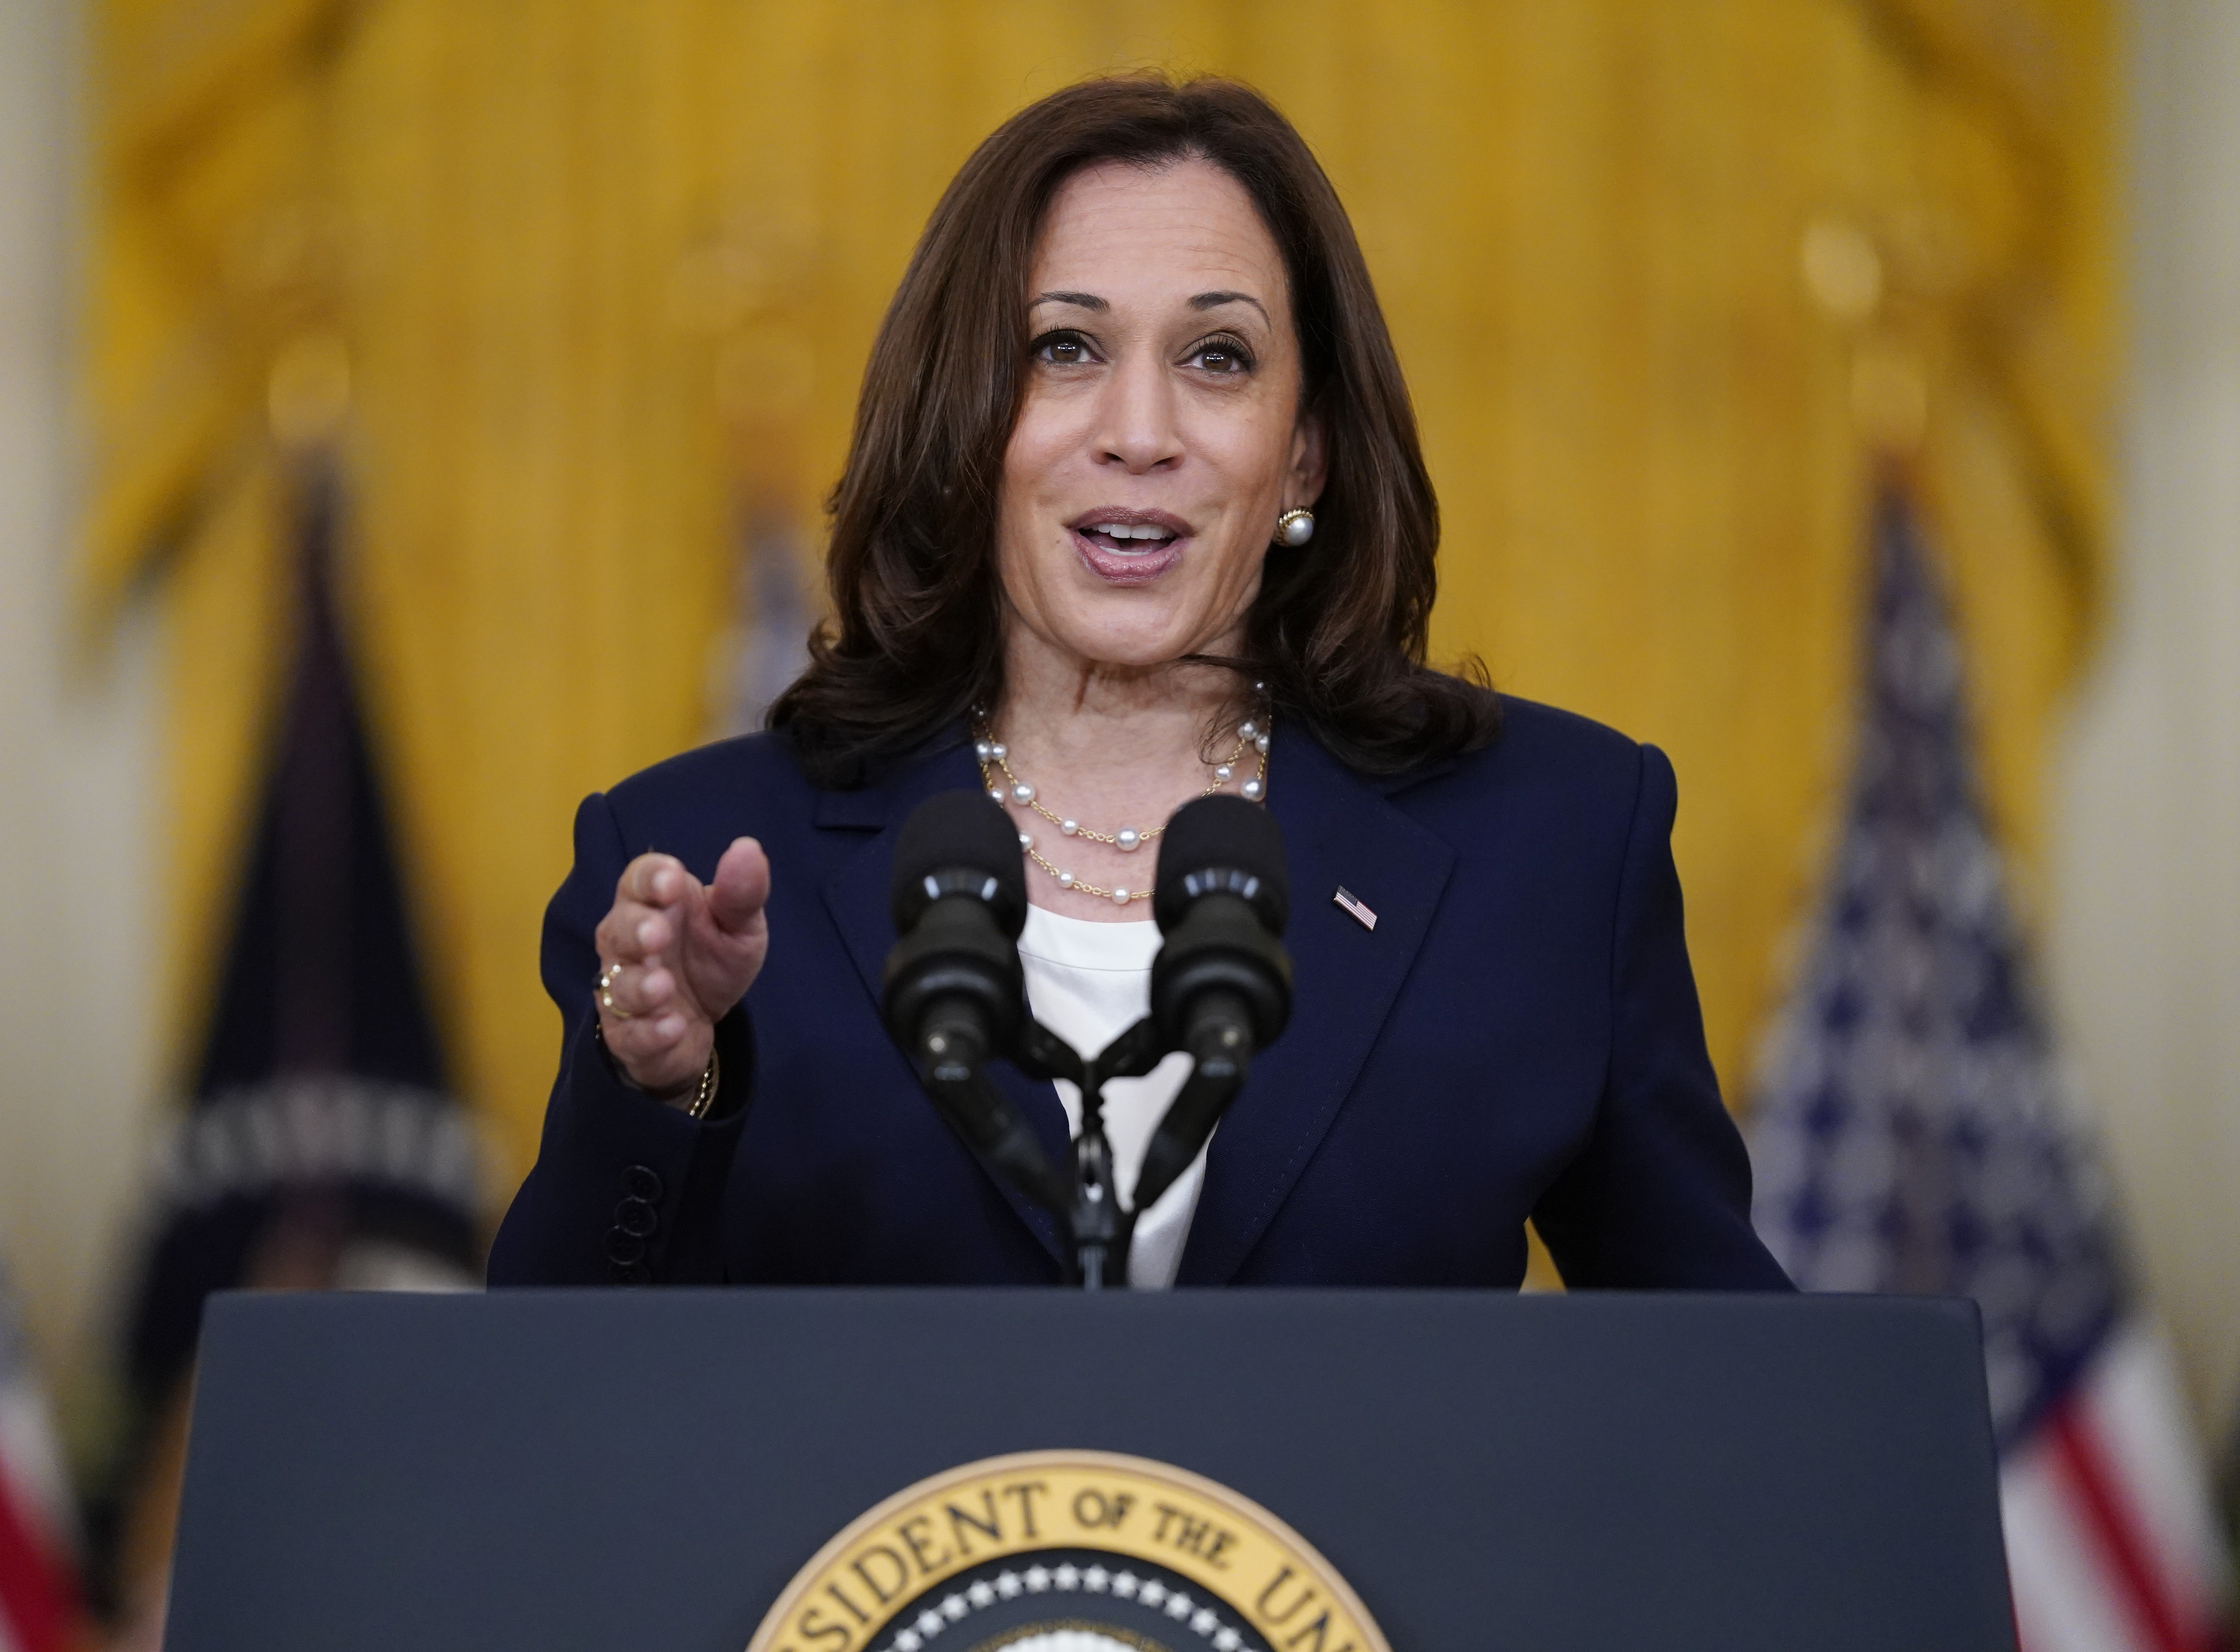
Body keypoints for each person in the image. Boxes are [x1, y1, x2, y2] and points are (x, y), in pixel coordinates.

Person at [487, 74, 1792, 1292]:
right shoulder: (700, 861)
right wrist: (666, 1090)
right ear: (965, 421)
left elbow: (1720, 1395)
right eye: (1065, 349)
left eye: (1217, 357)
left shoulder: (1552, 843)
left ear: (1307, 455)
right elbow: (559, 1418)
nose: (1140, 432)